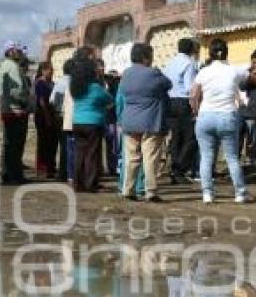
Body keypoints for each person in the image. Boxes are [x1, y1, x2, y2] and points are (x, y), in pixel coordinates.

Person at [190, 38, 256, 204]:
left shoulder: (203, 72)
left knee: (207, 157)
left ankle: (207, 194)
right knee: (232, 157)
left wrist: (196, 112)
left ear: (210, 53)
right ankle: (240, 193)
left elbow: (193, 95)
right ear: (226, 53)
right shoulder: (234, 71)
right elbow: (255, 78)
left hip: (205, 117)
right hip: (227, 117)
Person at [118, 43, 172, 203]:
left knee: (132, 157)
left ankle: (128, 189)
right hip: (150, 121)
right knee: (150, 157)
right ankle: (151, 191)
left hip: (129, 121)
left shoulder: (126, 74)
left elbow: (123, 92)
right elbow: (168, 84)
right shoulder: (154, 73)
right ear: (145, 57)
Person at [70, 47, 113, 192]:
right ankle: (91, 184)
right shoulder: (95, 87)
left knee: (79, 153)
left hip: (77, 122)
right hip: (93, 123)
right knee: (91, 154)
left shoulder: (75, 87)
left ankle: (78, 183)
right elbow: (109, 99)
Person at [163, 38, 200, 183]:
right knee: (190, 138)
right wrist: (195, 106)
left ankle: (174, 170)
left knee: (176, 138)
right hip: (183, 102)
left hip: (170, 102)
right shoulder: (189, 63)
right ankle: (179, 169)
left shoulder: (170, 63)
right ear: (191, 49)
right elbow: (190, 88)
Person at [0, 41, 31, 184]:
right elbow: (17, 90)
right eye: (17, 50)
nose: (19, 52)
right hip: (16, 110)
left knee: (8, 144)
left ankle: (7, 173)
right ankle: (15, 175)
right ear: (10, 51)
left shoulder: (3, 66)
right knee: (16, 145)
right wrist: (26, 99)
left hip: (7, 109)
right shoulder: (13, 67)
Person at [50, 58, 75, 182]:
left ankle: (62, 172)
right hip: (67, 117)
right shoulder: (71, 83)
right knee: (68, 146)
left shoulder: (59, 82)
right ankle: (67, 172)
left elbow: (52, 100)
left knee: (62, 145)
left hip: (58, 116)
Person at [34, 62, 58, 178]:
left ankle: (51, 166)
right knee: (43, 142)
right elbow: (42, 101)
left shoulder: (52, 83)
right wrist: (47, 116)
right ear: (43, 70)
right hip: (43, 116)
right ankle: (42, 168)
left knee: (52, 142)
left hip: (52, 115)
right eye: (49, 70)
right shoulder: (40, 84)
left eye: (52, 70)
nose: (51, 72)